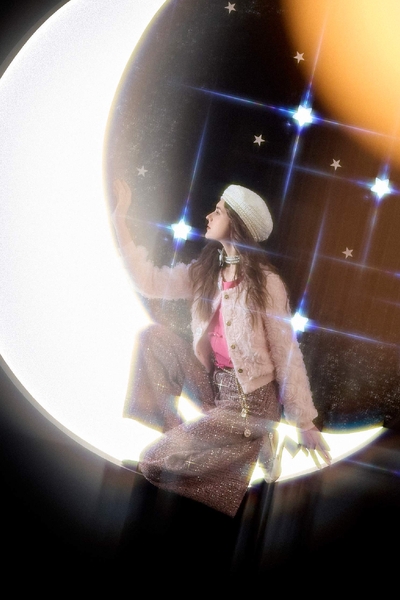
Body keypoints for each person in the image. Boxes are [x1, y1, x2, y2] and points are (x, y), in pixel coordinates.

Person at [112, 178, 331, 518]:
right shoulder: (207, 272)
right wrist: (120, 221)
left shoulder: (267, 285)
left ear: (238, 224)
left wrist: (304, 423)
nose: (209, 216)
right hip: (214, 387)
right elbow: (151, 282)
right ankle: (201, 441)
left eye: (218, 211)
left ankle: (249, 438)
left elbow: (287, 356)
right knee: (153, 338)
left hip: (251, 403)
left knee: (154, 463)